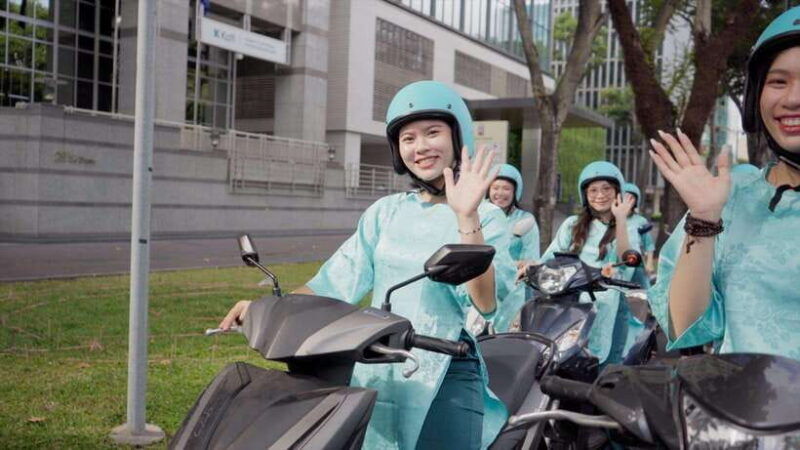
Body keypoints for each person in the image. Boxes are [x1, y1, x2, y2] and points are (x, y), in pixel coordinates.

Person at [219, 80, 516, 449]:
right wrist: (270, 309)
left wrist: (467, 214)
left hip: (446, 368)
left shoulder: (487, 217)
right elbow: (335, 279)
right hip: (378, 362)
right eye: (408, 138)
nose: (420, 146)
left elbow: (486, 302)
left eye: (432, 132)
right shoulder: (386, 212)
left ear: (457, 136)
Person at [648, 6, 800, 361]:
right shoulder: (733, 196)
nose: (793, 99)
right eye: (779, 82)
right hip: (742, 409)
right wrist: (704, 218)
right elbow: (684, 325)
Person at [537, 161, 639, 365]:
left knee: (602, 365)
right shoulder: (572, 225)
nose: (599, 195)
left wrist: (620, 219)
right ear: (585, 195)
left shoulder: (627, 228)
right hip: (569, 301)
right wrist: (531, 267)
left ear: (617, 191)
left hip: (607, 304)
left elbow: (626, 259)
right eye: (593, 190)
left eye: (606, 189)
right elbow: (550, 258)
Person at [487, 164, 541, 264]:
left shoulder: (526, 220)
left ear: (515, 192)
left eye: (506, 188)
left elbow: (531, 260)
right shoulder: (479, 215)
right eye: (495, 188)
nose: (500, 193)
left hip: (515, 277)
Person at [622, 182, 655, 287]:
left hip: (636, 263)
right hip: (617, 265)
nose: (627, 201)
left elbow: (648, 244)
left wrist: (649, 263)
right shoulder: (612, 220)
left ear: (636, 201)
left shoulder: (641, 221)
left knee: (646, 292)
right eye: (624, 197)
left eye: (631, 198)